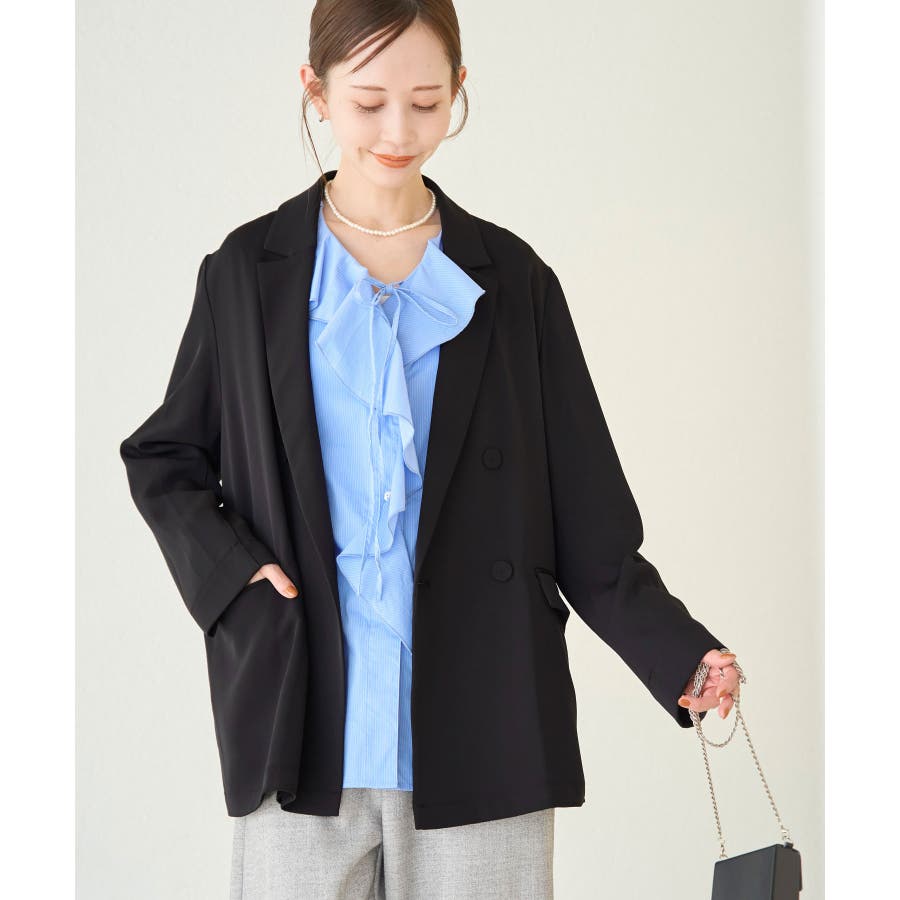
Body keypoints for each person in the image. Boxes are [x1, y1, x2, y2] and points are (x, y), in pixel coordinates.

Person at [119, 2, 741, 897]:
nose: (399, 132)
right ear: (315, 91)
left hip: (486, 727)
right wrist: (237, 577)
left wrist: (678, 652)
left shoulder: (514, 281)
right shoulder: (246, 274)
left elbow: (587, 514)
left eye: (425, 101)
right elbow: (165, 457)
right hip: (300, 723)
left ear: (459, 89)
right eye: (368, 102)